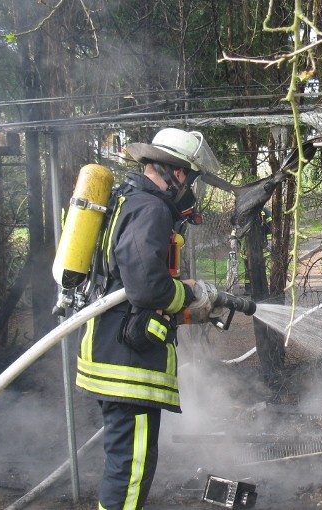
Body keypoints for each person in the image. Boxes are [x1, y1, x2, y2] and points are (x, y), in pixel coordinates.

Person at [75, 128, 223, 510]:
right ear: (176, 173)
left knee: (124, 462)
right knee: (130, 470)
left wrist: (184, 303)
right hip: (129, 365)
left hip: (109, 349)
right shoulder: (151, 208)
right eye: (191, 178)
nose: (192, 189)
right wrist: (191, 295)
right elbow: (147, 289)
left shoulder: (125, 200)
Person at [238, 207, 273, 295]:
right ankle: (248, 289)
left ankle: (261, 289)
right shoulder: (244, 211)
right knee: (248, 270)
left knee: (260, 268)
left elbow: (270, 227)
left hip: (261, 246)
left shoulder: (265, 213)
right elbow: (237, 226)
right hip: (247, 247)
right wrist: (233, 238)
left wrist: (269, 241)